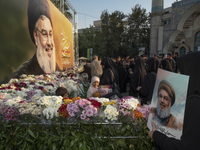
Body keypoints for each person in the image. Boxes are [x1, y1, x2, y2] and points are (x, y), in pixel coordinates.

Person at [10, 0, 56, 79]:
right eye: (44, 34)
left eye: (50, 34)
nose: (49, 42)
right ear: (35, 36)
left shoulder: (58, 68)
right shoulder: (20, 75)